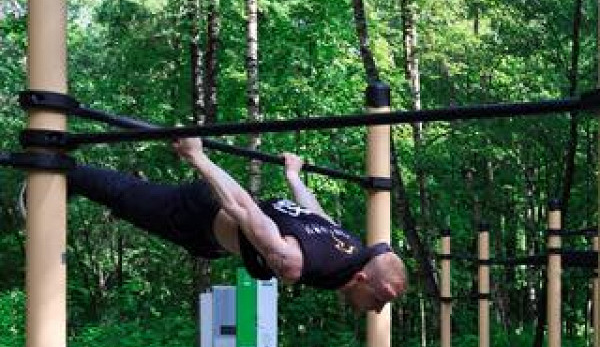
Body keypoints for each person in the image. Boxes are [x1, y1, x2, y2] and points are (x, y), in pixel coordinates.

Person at [60, 138, 407, 313]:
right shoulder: (294, 262)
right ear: (363, 279)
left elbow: (313, 210)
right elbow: (242, 207)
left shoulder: (348, 246)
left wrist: (293, 177)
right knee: (127, 196)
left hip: (211, 236)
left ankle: (76, 181)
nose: (376, 310)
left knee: (130, 201)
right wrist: (198, 157)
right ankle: (62, 174)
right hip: (199, 215)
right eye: (378, 301)